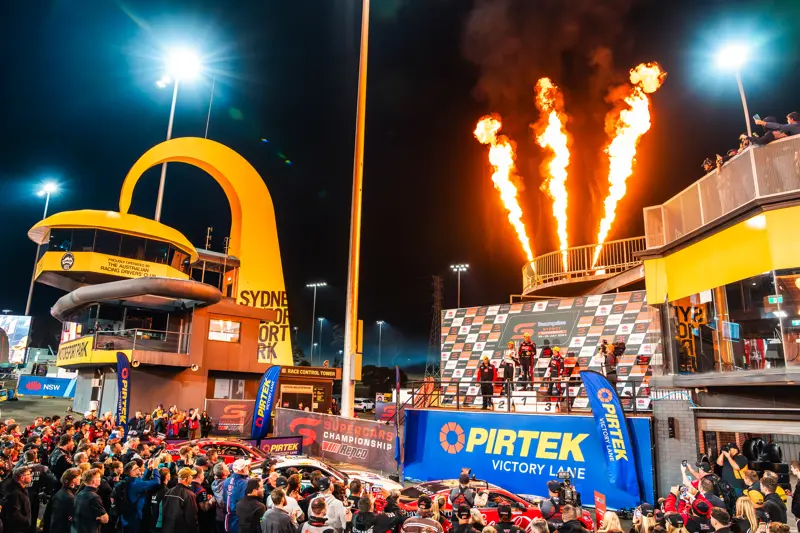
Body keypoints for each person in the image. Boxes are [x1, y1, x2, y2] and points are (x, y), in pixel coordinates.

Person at [121, 458, 162, 533]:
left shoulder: (129, 480)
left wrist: (149, 469)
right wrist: (155, 469)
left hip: (127, 517)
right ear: (132, 472)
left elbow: (142, 480)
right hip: (134, 518)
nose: (139, 468)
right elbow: (156, 482)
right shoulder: (135, 484)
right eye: (136, 468)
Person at [163, 467, 200, 533]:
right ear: (186, 478)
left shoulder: (168, 492)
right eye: (191, 476)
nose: (192, 478)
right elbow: (191, 517)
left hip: (167, 528)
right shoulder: (189, 495)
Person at [73, 468, 109, 533]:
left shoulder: (79, 493)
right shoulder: (94, 497)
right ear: (93, 481)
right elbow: (105, 519)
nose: (100, 479)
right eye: (99, 477)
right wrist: (98, 518)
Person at [49, 468, 81, 533]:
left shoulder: (61, 492)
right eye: (79, 476)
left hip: (56, 527)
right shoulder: (69, 497)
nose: (81, 478)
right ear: (73, 479)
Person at [2, 466, 33, 533]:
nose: (31, 476)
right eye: (28, 474)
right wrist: (26, 521)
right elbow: (14, 514)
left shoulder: (22, 489)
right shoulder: (15, 493)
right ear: (22, 478)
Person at [223, 459, 251, 533]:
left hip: (228, 517)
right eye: (246, 466)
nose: (248, 467)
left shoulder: (227, 481)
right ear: (242, 469)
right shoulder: (245, 483)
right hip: (240, 518)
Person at [212, 462, 230, 533]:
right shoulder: (226, 485)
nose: (227, 467)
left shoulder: (214, 483)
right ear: (224, 473)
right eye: (226, 467)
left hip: (219, 516)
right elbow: (222, 501)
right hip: (225, 517)